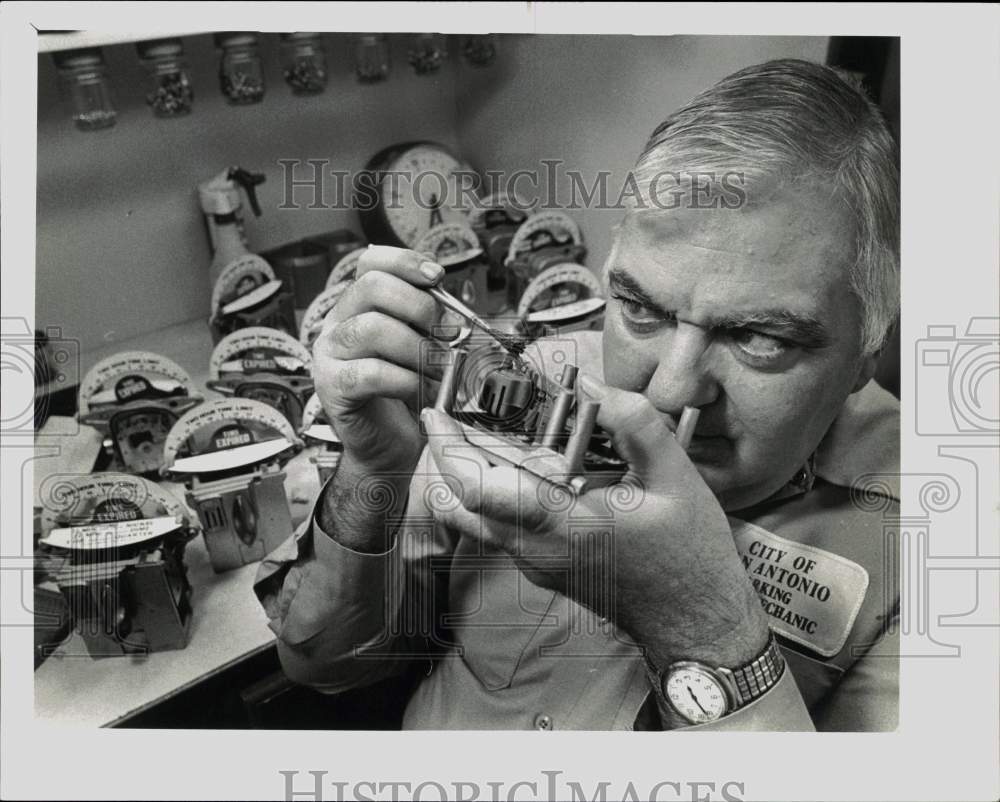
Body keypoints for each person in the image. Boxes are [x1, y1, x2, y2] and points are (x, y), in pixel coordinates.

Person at [254, 58, 900, 731]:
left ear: (866, 355)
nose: (674, 389)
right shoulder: (532, 387)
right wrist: (373, 470)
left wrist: (700, 627)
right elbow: (322, 664)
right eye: (641, 309)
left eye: (760, 338)